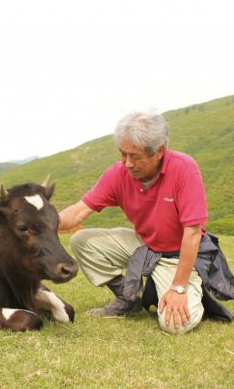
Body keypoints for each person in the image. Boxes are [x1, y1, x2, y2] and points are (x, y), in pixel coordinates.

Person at [59, 111, 212, 334]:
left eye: (135, 156)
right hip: (145, 245)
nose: (127, 164)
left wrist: (178, 288)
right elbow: (78, 212)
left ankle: (187, 293)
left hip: (178, 254)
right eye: (123, 154)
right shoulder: (118, 173)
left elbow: (193, 232)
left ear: (159, 151)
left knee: (176, 325)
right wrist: (34, 221)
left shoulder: (183, 168)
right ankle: (128, 299)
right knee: (82, 240)